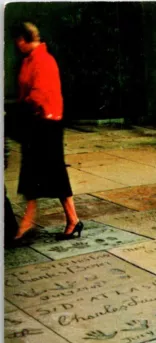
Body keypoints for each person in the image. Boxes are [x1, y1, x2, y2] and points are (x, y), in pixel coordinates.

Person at [12, 22, 82, 241]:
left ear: (24, 39)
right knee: (33, 175)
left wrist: (19, 110)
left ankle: (68, 219)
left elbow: (38, 94)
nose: (17, 45)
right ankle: (33, 222)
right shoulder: (30, 60)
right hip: (35, 123)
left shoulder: (43, 60)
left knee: (53, 174)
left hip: (46, 124)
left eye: (18, 41)